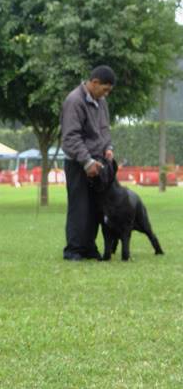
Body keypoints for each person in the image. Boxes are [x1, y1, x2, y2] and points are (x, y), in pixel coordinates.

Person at [60, 65, 116, 261]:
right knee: (79, 206)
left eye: (109, 91)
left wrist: (108, 147)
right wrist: (87, 161)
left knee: (95, 206)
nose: (106, 94)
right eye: (105, 89)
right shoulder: (74, 101)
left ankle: (89, 247)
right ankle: (74, 250)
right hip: (78, 163)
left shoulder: (101, 101)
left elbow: (104, 129)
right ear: (94, 83)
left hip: (97, 161)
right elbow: (71, 137)